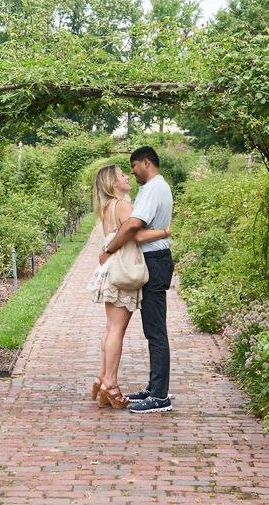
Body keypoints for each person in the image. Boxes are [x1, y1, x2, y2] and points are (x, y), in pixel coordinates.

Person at [88, 164, 170, 409]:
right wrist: (165, 231)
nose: (127, 177)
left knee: (110, 328)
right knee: (117, 331)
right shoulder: (122, 205)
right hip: (123, 271)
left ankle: (103, 378)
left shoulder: (107, 207)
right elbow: (138, 235)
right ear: (114, 183)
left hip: (112, 269)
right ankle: (110, 384)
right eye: (122, 175)